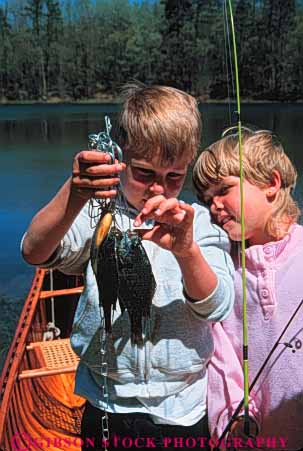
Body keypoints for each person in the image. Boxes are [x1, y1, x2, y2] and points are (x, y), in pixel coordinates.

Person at [21, 82, 234, 451]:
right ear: (120, 160)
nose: (157, 189)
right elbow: (35, 251)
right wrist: (75, 191)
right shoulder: (97, 214)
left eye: (173, 177)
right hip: (105, 400)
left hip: (181, 408)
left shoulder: (199, 224)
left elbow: (217, 305)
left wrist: (185, 250)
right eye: (144, 173)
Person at [193, 127, 303, 450]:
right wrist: (233, 417)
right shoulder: (220, 273)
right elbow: (221, 360)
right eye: (206, 199)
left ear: (271, 184)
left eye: (224, 190)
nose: (213, 206)